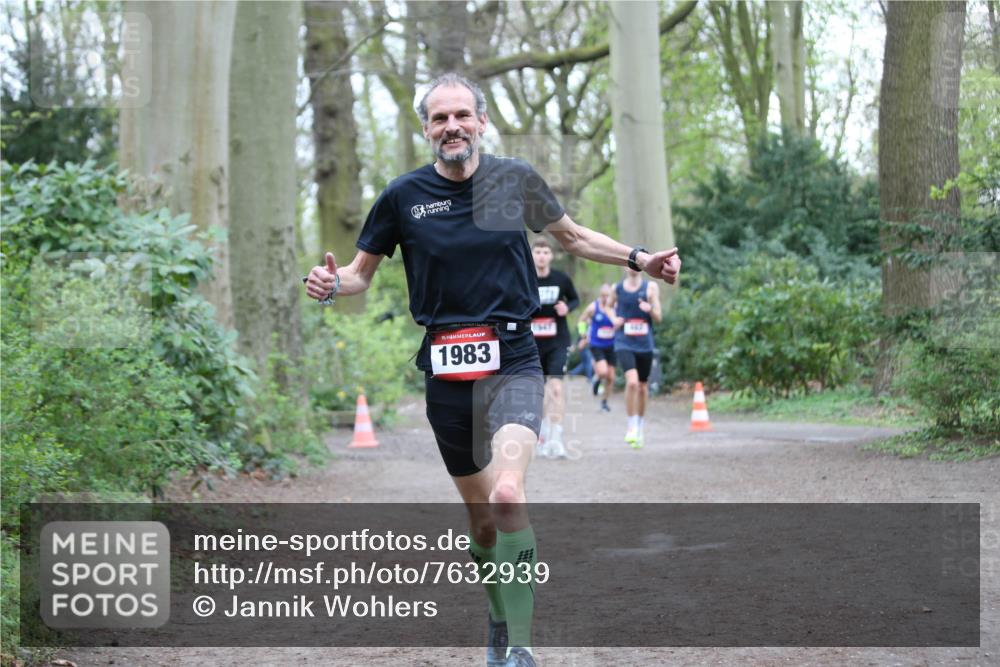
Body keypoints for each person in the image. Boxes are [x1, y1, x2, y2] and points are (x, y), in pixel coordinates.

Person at [304, 72, 681, 667]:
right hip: (446, 371)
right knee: (482, 521)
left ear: (481, 122)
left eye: (461, 115)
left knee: (508, 493)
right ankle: (499, 612)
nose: (451, 126)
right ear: (426, 129)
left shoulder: (513, 180)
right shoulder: (402, 197)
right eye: (438, 118)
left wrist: (641, 259)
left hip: (513, 358)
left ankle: (522, 645)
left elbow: (574, 237)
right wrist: (329, 285)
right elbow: (359, 274)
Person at [530, 237, 579, 460]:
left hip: (558, 341)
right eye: (537, 252)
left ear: (551, 256)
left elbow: (575, 299)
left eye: (545, 252)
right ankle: (540, 435)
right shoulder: (525, 278)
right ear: (532, 255)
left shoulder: (561, 279)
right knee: (537, 393)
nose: (541, 256)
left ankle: (556, 438)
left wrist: (566, 307)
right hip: (531, 343)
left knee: (556, 388)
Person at [611, 267, 662, 449]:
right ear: (625, 267)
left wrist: (650, 309)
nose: (633, 267)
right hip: (624, 342)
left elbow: (659, 317)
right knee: (632, 382)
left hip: (644, 344)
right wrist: (613, 319)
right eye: (630, 264)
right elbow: (608, 307)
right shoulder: (616, 288)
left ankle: (640, 424)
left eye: (637, 264)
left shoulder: (650, 288)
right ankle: (631, 424)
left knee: (642, 386)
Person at [578, 283, 618, 413]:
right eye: (603, 296)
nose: (606, 299)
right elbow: (581, 321)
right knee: (602, 372)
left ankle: (604, 402)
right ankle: (597, 378)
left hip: (612, 345)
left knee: (611, 377)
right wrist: (584, 335)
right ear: (600, 296)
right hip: (596, 344)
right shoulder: (593, 307)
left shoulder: (616, 308)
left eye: (608, 296)